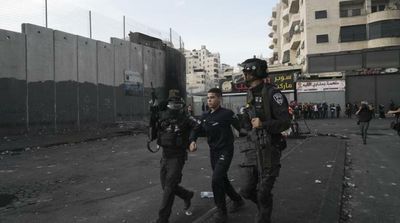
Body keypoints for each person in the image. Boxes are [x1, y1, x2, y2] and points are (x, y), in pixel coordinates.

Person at [238, 58, 290, 223]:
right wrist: (245, 122)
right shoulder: (250, 93)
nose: (244, 75)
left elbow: (286, 122)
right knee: (246, 190)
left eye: (246, 72)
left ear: (255, 72)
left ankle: (263, 216)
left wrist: (264, 124)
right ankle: (263, 206)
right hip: (252, 148)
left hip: (270, 148)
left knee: (263, 192)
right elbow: (248, 120)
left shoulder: (273, 93)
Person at [189, 88, 244, 223]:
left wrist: (253, 132)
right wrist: (192, 141)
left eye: (212, 97)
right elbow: (195, 130)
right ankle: (238, 200)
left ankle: (221, 212)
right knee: (222, 179)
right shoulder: (205, 116)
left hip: (226, 150)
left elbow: (241, 128)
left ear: (220, 99)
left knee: (216, 179)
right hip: (213, 152)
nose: (209, 100)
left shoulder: (227, 114)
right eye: (208, 98)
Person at [150, 89, 197, 223]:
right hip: (165, 155)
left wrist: (192, 140)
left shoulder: (186, 117)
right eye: (171, 103)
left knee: (169, 188)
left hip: (177, 156)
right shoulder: (163, 116)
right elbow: (153, 127)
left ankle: (162, 219)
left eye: (177, 104)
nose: (174, 106)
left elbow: (198, 126)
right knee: (166, 186)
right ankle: (187, 195)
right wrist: (153, 108)